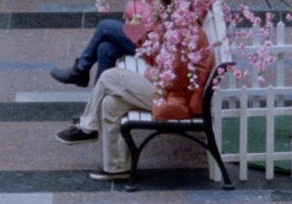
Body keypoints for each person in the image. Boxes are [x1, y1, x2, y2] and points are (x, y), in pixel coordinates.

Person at [55, 35, 214, 182]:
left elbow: (177, 80)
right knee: (110, 103)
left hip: (174, 101)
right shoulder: (183, 29)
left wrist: (152, 73)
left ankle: (87, 126)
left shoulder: (189, 34)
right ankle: (117, 167)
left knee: (109, 77)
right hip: (170, 94)